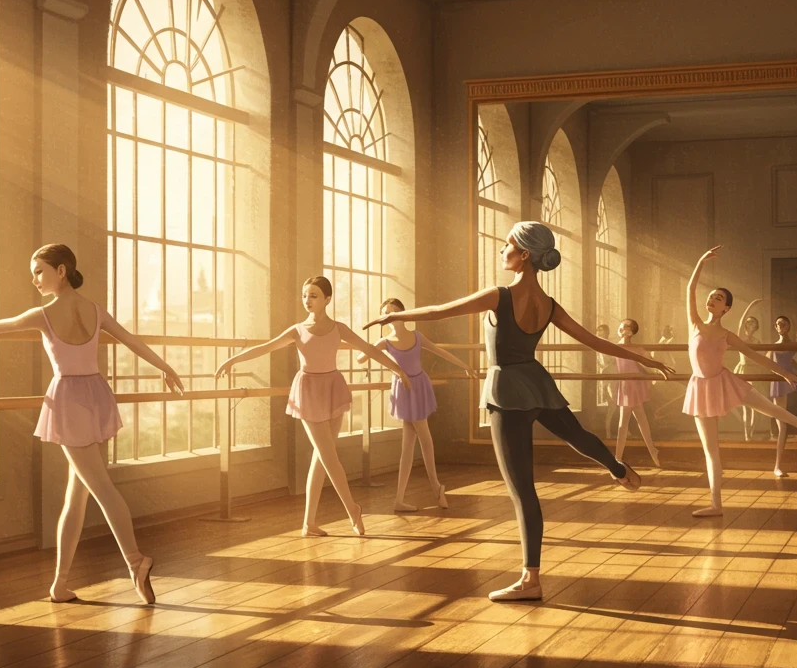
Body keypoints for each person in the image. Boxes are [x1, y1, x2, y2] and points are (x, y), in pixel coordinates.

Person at [365, 221, 674, 603]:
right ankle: (617, 468)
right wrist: (648, 361)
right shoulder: (548, 305)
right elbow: (595, 342)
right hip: (537, 384)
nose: (502, 250)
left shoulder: (499, 296)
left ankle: (531, 580)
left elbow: (442, 310)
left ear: (524, 254)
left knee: (522, 489)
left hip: (507, 392)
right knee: (577, 436)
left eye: (507, 245)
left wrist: (394, 317)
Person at [0, 243, 184, 605]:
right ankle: (60, 584)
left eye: (39, 271)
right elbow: (131, 340)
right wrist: (166, 367)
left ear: (61, 271)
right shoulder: (96, 310)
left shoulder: (44, 314)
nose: (35, 279)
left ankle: (136, 561)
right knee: (76, 494)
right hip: (96, 394)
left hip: (68, 398)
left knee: (101, 488)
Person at [215, 276, 411, 537]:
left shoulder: (339, 328)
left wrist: (398, 370)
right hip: (308, 391)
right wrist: (232, 360)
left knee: (322, 457)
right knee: (328, 456)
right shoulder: (297, 330)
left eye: (314, 295)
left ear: (327, 299)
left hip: (333, 389)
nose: (307, 300)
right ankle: (352, 508)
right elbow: (266, 347)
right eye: (305, 295)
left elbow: (368, 349)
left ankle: (309, 523)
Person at [683, 247, 797, 516]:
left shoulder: (727, 335)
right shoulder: (695, 324)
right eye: (712, 295)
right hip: (700, 389)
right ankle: (716, 505)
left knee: (770, 408)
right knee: (711, 451)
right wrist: (701, 260)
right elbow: (690, 289)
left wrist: (785, 373)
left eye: (719, 298)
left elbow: (755, 356)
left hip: (725, 382)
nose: (712, 299)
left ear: (726, 308)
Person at [356, 298, 473, 511]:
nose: (388, 316)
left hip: (418, 385)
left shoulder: (417, 336)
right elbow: (361, 358)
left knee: (420, 439)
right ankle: (413, 495)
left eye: (392, 312)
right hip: (403, 388)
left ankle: (427, 490)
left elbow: (439, 351)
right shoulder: (385, 341)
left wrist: (464, 365)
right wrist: (382, 354)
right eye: (384, 313)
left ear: (402, 314)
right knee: (410, 445)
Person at [614, 318, 661, 468]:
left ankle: (617, 458)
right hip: (626, 385)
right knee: (640, 420)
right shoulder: (615, 346)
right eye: (621, 326)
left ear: (631, 332)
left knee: (625, 423)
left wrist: (656, 366)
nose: (621, 329)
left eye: (625, 327)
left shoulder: (635, 349)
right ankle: (652, 451)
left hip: (633, 385)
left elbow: (648, 360)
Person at [768, 314, 797, 476]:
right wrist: (784, 375)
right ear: (775, 328)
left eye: (783, 323)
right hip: (780, 383)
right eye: (778, 324)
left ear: (789, 326)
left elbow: (792, 360)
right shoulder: (773, 346)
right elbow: (770, 364)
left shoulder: (793, 344)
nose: (780, 326)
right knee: (782, 424)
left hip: (792, 383)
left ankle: (779, 465)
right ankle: (777, 466)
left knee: (788, 421)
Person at [733, 298, 764, 442]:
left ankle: (751, 433)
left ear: (756, 326)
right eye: (749, 322)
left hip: (754, 371)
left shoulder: (757, 341)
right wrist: (751, 305)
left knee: (755, 405)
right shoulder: (741, 337)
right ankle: (747, 435)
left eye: (753, 322)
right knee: (745, 404)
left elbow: (760, 357)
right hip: (743, 370)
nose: (751, 324)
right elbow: (740, 322)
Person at [595, 323, 618, 440]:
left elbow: (614, 360)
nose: (599, 332)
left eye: (602, 330)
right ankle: (608, 432)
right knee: (611, 404)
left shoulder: (609, 345)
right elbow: (599, 362)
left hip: (613, 375)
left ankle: (611, 431)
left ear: (607, 332)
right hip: (605, 376)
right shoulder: (597, 346)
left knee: (614, 403)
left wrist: (605, 368)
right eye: (598, 330)